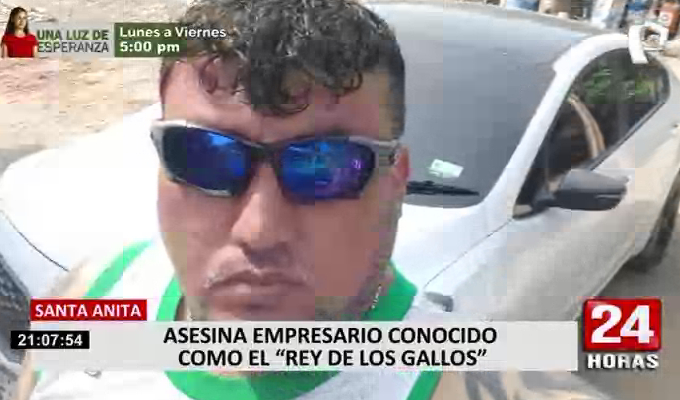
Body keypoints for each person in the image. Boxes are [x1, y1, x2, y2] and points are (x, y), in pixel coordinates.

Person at [14, 0, 620, 399]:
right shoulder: (91, 294)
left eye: (325, 168)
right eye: (204, 156)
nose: (258, 230)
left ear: (396, 180)